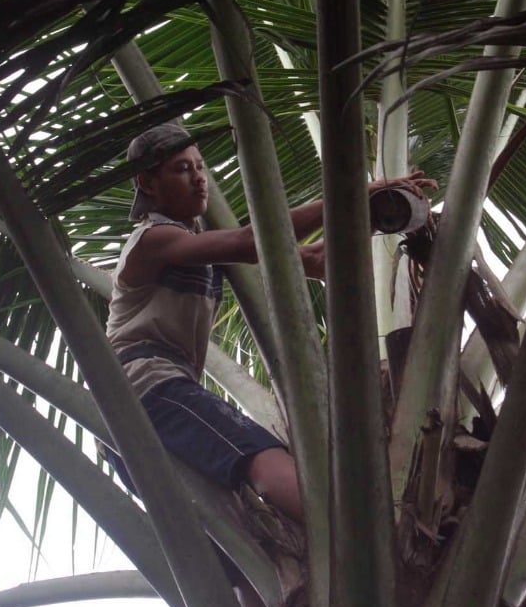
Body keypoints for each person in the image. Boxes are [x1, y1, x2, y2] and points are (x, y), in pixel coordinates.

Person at [104, 122, 435, 523]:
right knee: (261, 455)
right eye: (181, 169)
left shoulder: (199, 248)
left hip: (156, 398)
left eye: (200, 167)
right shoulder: (152, 239)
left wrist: (374, 217)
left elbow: (313, 260)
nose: (198, 179)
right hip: (147, 386)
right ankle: (354, 538)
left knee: (233, 538)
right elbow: (250, 242)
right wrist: (355, 193)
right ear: (148, 183)